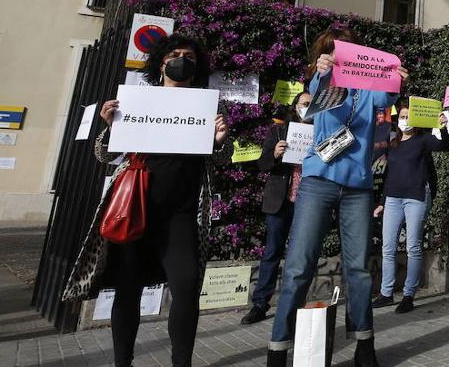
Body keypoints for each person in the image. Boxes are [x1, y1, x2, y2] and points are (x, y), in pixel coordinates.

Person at [62, 35, 231, 367]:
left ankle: (181, 362)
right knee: (128, 288)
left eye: (189, 56)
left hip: (181, 214)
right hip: (135, 210)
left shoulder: (210, 106)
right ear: (161, 62)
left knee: (185, 288)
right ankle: (122, 362)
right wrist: (111, 128)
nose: (181, 60)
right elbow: (105, 156)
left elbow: (222, 160)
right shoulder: (139, 100)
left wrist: (221, 141)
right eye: (175, 54)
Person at [267, 28, 406, 367]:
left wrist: (395, 79)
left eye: (343, 49)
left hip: (357, 187)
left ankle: (364, 345)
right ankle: (278, 348)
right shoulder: (321, 80)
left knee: (358, 269)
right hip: (317, 182)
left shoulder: (370, 89)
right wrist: (322, 71)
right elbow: (314, 99)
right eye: (331, 49)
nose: (337, 54)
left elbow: (387, 99)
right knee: (299, 266)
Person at [371, 101, 449, 314]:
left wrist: (442, 127)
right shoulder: (393, 143)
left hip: (416, 197)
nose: (405, 120)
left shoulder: (423, 140)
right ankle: (386, 293)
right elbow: (390, 176)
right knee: (388, 248)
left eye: (409, 116)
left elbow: (442, 145)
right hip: (393, 199)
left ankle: (408, 295)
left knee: (413, 247)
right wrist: (382, 202)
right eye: (402, 116)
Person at [241, 91, 313, 324]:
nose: (307, 107)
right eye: (304, 103)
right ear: (295, 106)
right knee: (272, 252)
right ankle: (260, 304)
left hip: (307, 201)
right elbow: (262, 164)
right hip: (280, 201)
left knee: (300, 255)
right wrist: (274, 153)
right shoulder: (278, 131)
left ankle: (294, 304)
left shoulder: (319, 132)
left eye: (311, 104)